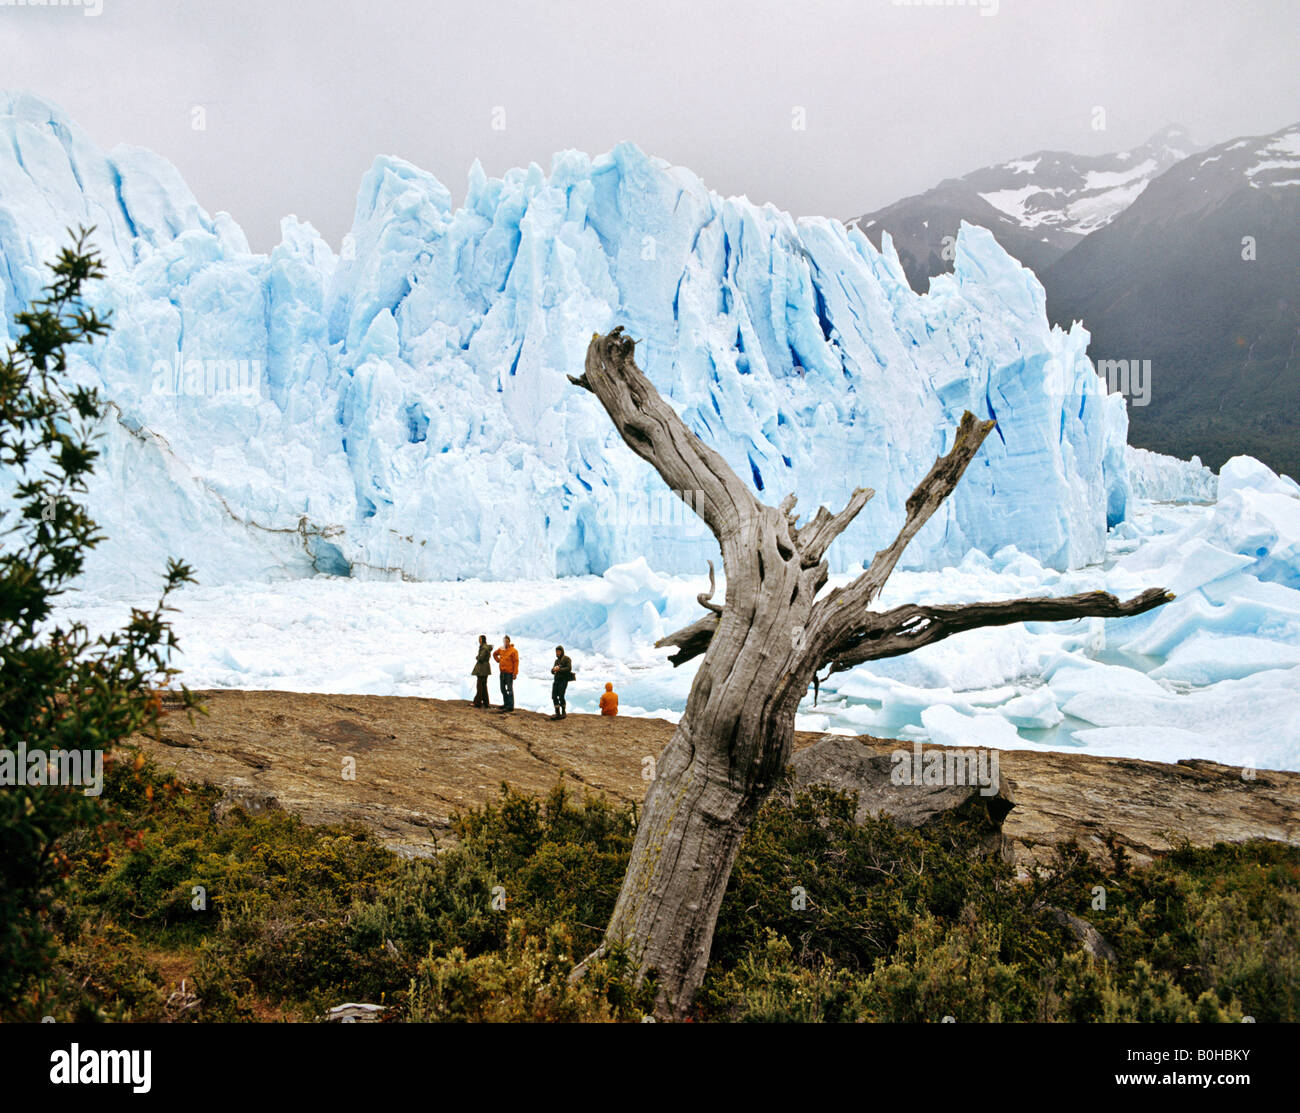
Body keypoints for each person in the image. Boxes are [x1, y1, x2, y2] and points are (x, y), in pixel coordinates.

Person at [493, 636, 518, 713]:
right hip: (502, 672)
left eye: (507, 641)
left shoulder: (513, 651)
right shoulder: (501, 649)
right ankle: (506, 703)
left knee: (509, 689)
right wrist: (498, 660)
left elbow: (516, 662)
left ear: (509, 642)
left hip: (509, 673)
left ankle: (510, 706)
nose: (505, 643)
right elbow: (494, 654)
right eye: (504, 641)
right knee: (502, 689)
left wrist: (515, 673)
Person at [550, 645, 574, 720]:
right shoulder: (556, 661)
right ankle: (557, 713)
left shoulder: (567, 659)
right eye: (556, 652)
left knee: (561, 696)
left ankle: (563, 712)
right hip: (556, 680)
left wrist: (559, 669)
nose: (557, 653)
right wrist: (553, 670)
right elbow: (552, 671)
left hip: (563, 680)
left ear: (562, 651)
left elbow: (569, 668)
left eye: (559, 651)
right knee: (554, 696)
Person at [471, 635, 493, 708]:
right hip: (485, 669)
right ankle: (486, 702)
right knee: (483, 686)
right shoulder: (485, 647)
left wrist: (477, 657)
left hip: (482, 669)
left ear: (482, 640)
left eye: (479, 639)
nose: (479, 640)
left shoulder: (483, 648)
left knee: (480, 686)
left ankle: (477, 703)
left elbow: (481, 657)